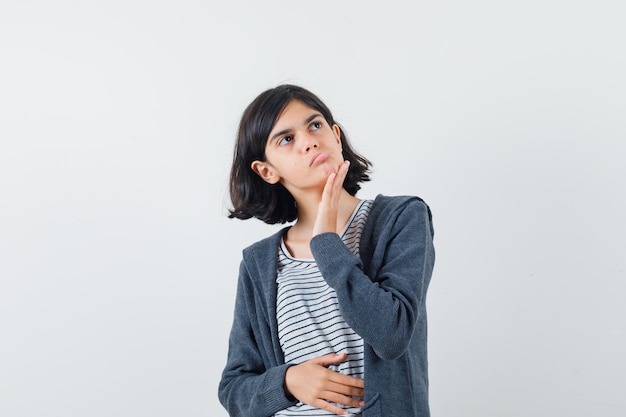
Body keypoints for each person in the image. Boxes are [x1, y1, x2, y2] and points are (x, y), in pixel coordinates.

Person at [218, 84, 435, 417]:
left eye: (315, 125)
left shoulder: (400, 218)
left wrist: (326, 244)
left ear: (335, 135)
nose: (308, 140)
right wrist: (288, 382)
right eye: (286, 139)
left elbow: (392, 335)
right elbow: (234, 389)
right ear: (267, 170)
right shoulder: (259, 263)